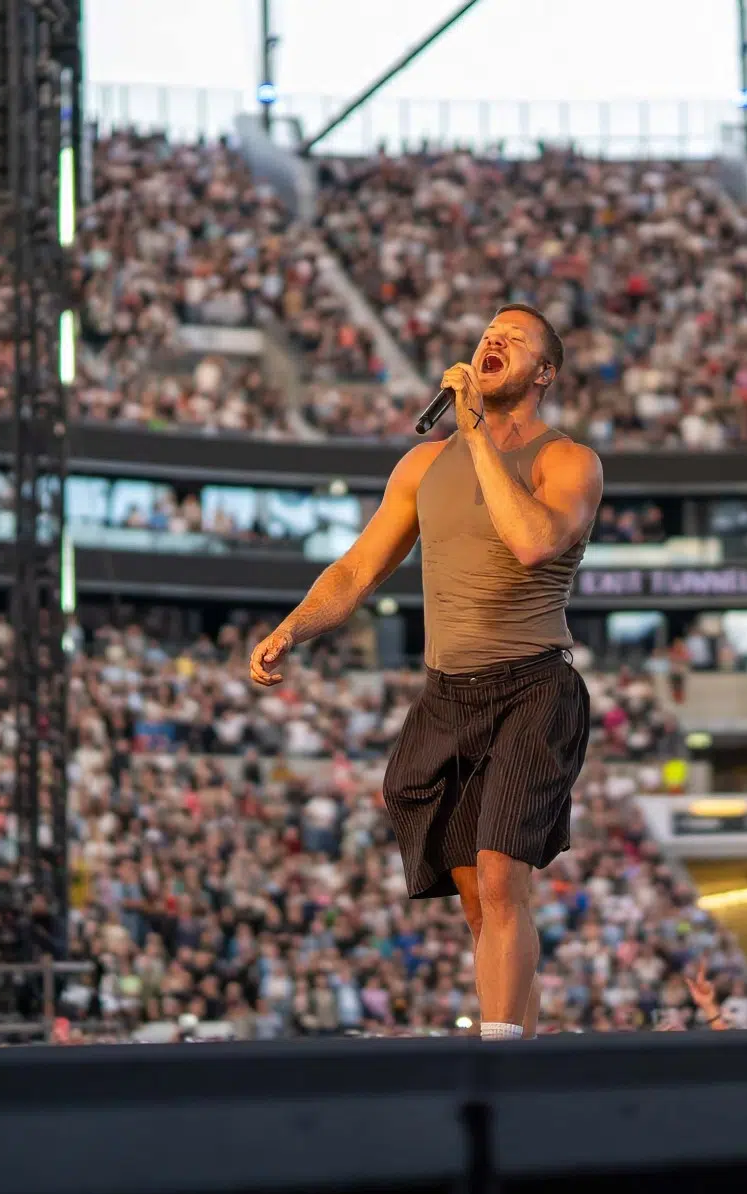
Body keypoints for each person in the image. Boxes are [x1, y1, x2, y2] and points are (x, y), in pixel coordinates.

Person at [250, 303, 603, 1042]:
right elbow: (357, 570)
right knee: (480, 904)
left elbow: (534, 541)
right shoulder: (422, 465)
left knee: (503, 877)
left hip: (534, 684)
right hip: (448, 695)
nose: (493, 342)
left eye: (514, 339)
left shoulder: (567, 460)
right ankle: (517, 1053)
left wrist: (475, 434)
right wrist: (293, 627)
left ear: (544, 372)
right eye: (488, 335)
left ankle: (495, 1057)